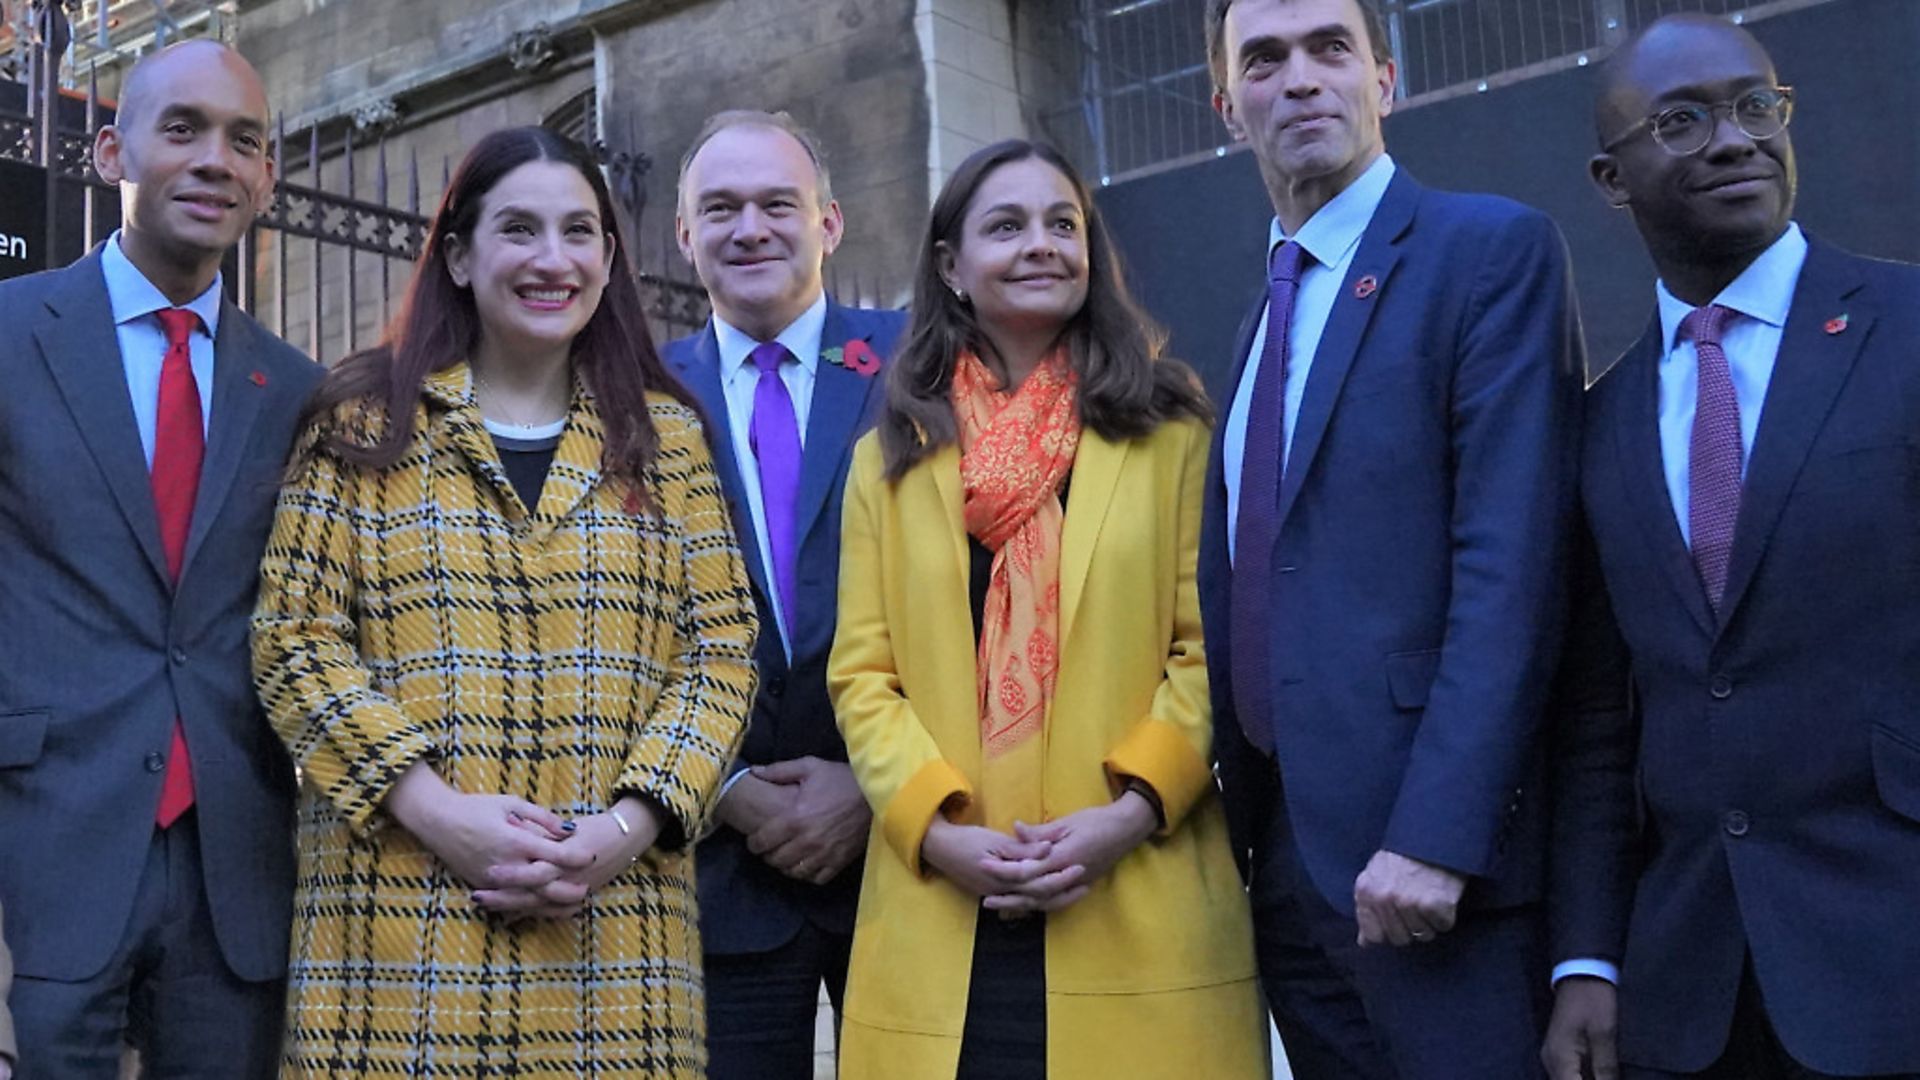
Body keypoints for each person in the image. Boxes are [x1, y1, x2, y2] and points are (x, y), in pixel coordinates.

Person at [250, 125, 757, 1077]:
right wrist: (441, 814)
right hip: (400, 926)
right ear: (457, 253)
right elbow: (295, 642)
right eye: (519, 229)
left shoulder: (667, 439)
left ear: (610, 256)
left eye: (580, 232)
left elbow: (720, 655)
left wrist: (623, 828)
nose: (552, 259)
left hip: (616, 935)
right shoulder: (361, 425)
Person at [1200, 0, 1586, 1075]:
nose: (1303, 79)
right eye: (1265, 61)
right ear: (1229, 108)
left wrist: (1436, 836)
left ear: (1389, 77)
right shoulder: (1257, 316)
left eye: (1332, 49)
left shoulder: (1489, 251)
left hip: (1432, 878)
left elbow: (1513, 570)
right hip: (1287, 871)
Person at [827, 138, 1266, 1080]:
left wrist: (1128, 812)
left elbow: (1209, 651)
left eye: (1062, 224)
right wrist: (938, 833)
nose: (1041, 244)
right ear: (949, 265)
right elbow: (864, 675)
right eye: (1006, 226)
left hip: (1133, 889)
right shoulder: (889, 460)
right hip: (943, 905)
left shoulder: (1173, 431)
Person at [1543, 16, 1920, 1080]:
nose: (1735, 139)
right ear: (1613, 179)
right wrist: (1587, 959)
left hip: (1896, 956)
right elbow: (1595, 729)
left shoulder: (1908, 328)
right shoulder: (1599, 425)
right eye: (1683, 119)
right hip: (1692, 993)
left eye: (1758, 106)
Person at [0, 38, 319, 1078]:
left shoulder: (299, 392)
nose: (214, 160)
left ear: (267, 178)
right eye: (181, 129)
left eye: (244, 141)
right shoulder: (10, 335)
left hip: (235, 869)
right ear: (110, 152)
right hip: (46, 850)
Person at [663, 109, 906, 1078]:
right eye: (720, 208)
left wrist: (877, 785)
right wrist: (719, 791)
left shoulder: (919, 364)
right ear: (685, 236)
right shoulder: (640, 393)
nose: (750, 228)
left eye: (777, 203)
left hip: (907, 856)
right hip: (717, 872)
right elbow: (611, 615)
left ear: (830, 223)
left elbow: (985, 593)